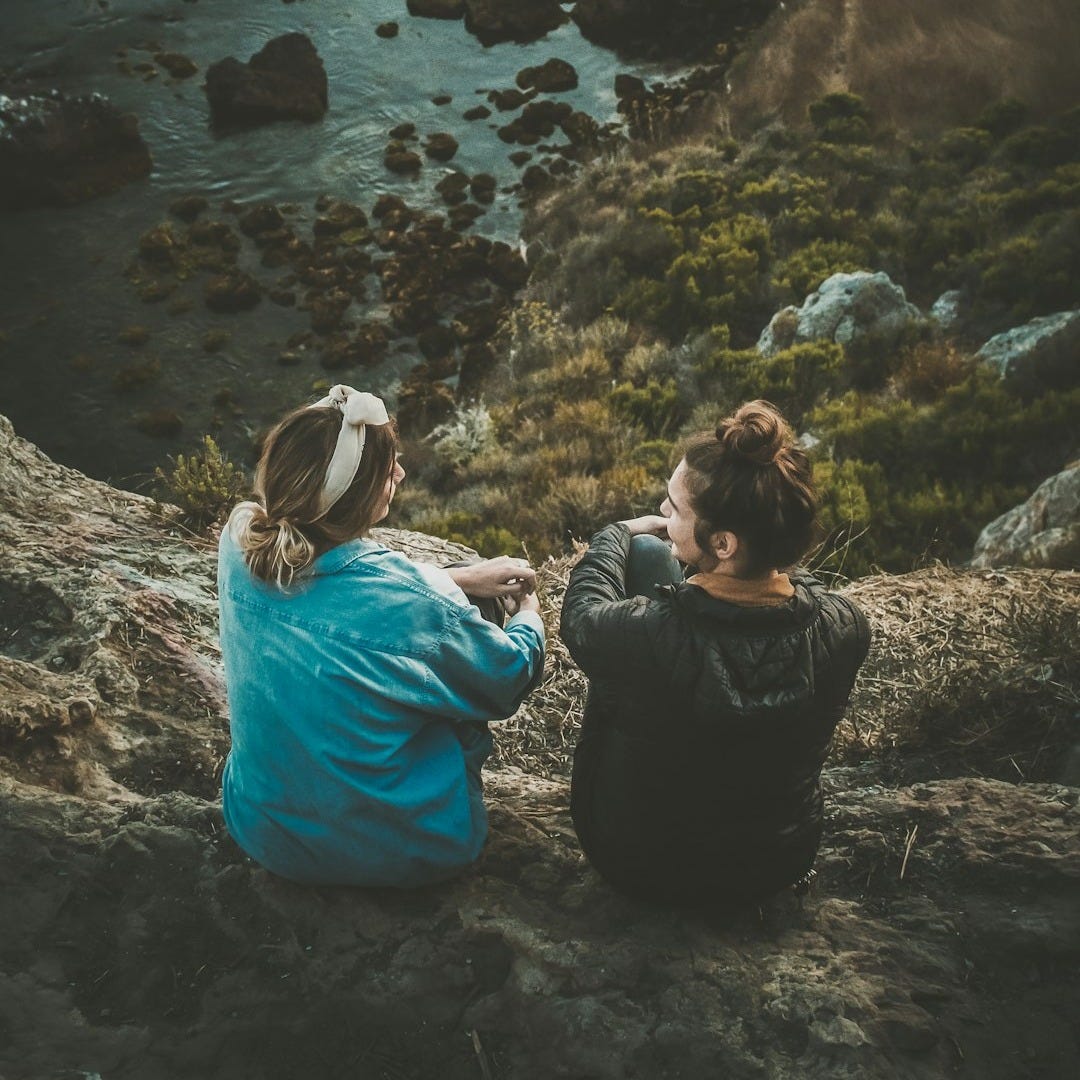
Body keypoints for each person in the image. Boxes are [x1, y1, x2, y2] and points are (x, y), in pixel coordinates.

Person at [217, 384, 545, 888]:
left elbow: (342, 599)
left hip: (263, 831)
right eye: (387, 467)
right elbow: (508, 678)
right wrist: (528, 613)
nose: (400, 473)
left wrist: (455, 579)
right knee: (462, 665)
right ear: (356, 496)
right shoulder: (412, 603)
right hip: (398, 852)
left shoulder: (238, 538)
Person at [559, 400, 870, 908]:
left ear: (723, 542)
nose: (662, 513)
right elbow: (794, 591)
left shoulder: (648, 635)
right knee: (660, 564)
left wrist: (614, 535)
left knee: (644, 555)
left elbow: (582, 615)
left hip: (640, 864)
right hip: (772, 864)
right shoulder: (845, 628)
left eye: (674, 508)